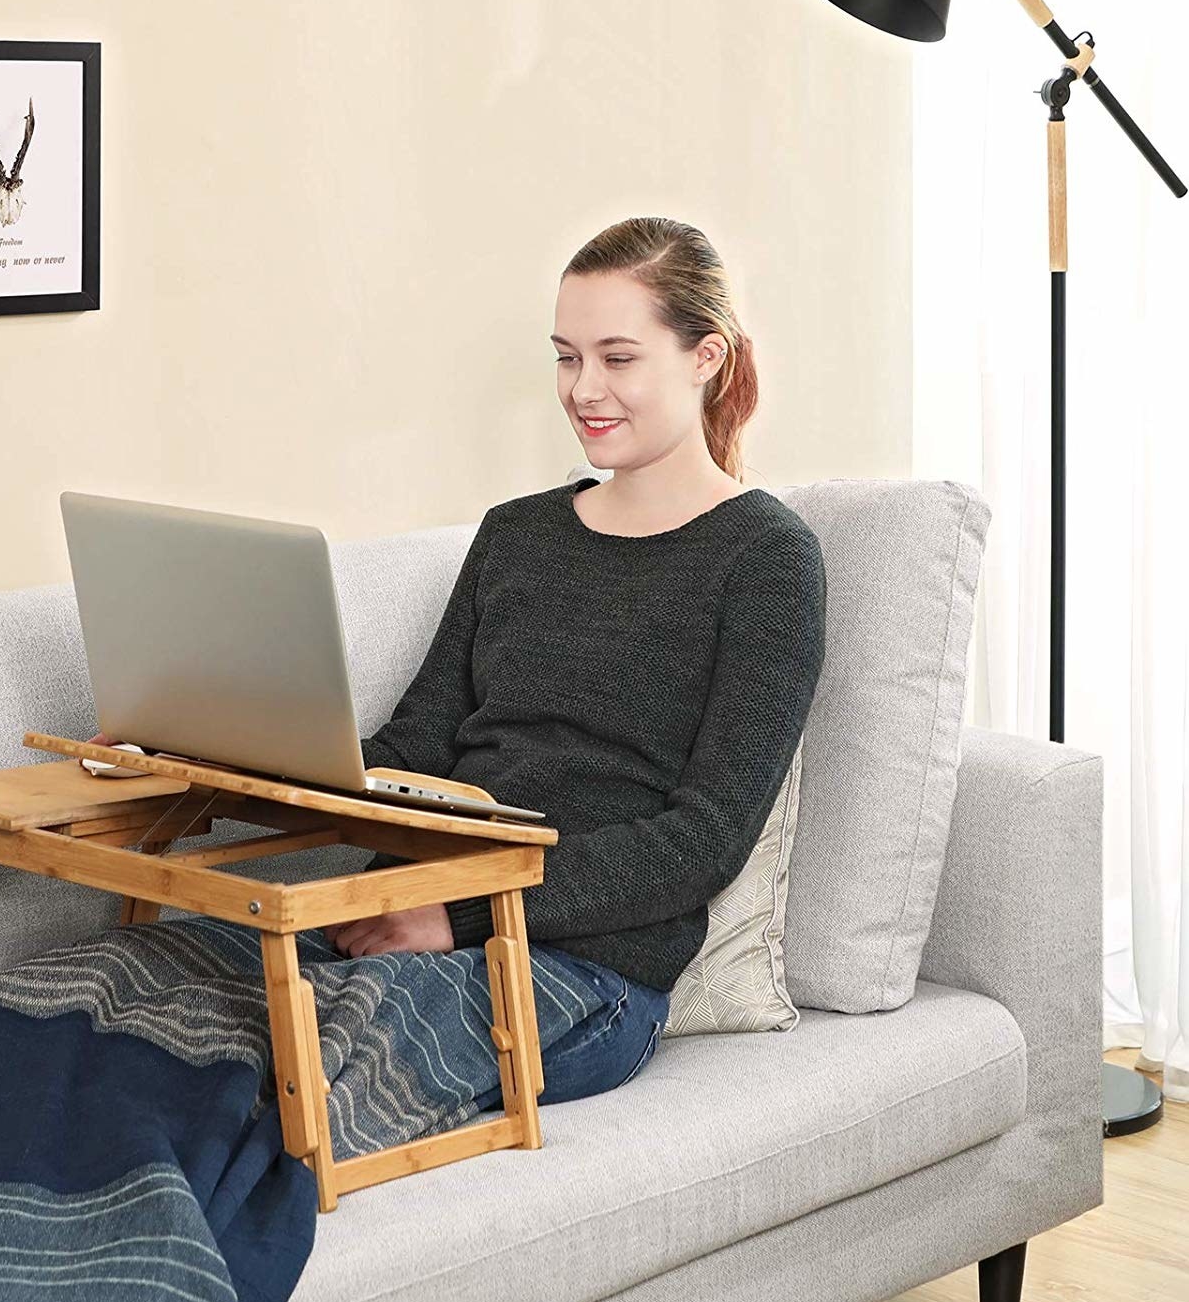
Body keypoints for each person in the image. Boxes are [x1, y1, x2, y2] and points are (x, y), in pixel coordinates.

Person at [94, 214, 828, 1110]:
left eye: (617, 357)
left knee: (249, 1077)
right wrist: (197, 757)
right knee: (117, 987)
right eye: (566, 356)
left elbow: (702, 841)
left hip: (583, 973)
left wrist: (456, 915)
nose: (583, 388)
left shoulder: (766, 560)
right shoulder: (517, 534)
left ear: (706, 357)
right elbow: (412, 754)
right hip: (406, 920)